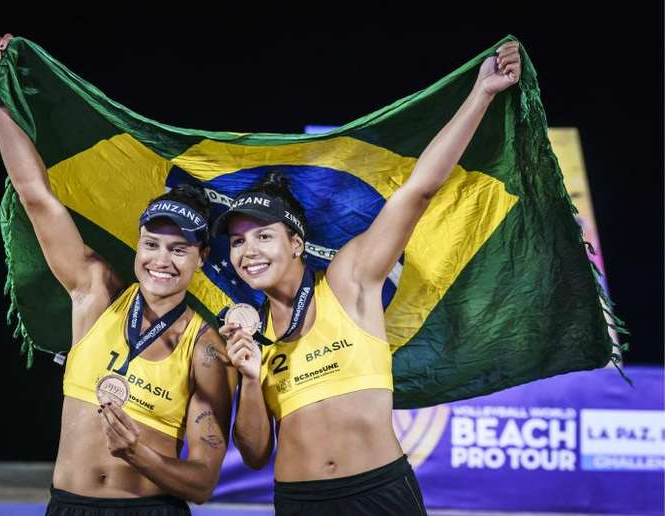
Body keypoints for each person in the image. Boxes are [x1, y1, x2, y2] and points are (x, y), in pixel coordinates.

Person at [213, 42, 522, 515]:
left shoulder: (348, 282)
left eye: (263, 237)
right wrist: (250, 378)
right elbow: (255, 455)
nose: (248, 251)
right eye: (237, 243)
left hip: (379, 495)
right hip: (299, 501)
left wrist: (481, 92)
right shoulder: (249, 331)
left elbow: (417, 191)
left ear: (296, 243)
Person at [0, 33, 235, 515]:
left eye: (179, 250)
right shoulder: (94, 291)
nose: (162, 260)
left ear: (201, 258)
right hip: (67, 506)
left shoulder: (207, 349)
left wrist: (140, 455)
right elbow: (37, 197)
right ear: (137, 246)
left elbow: (201, 484)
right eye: (152, 245)